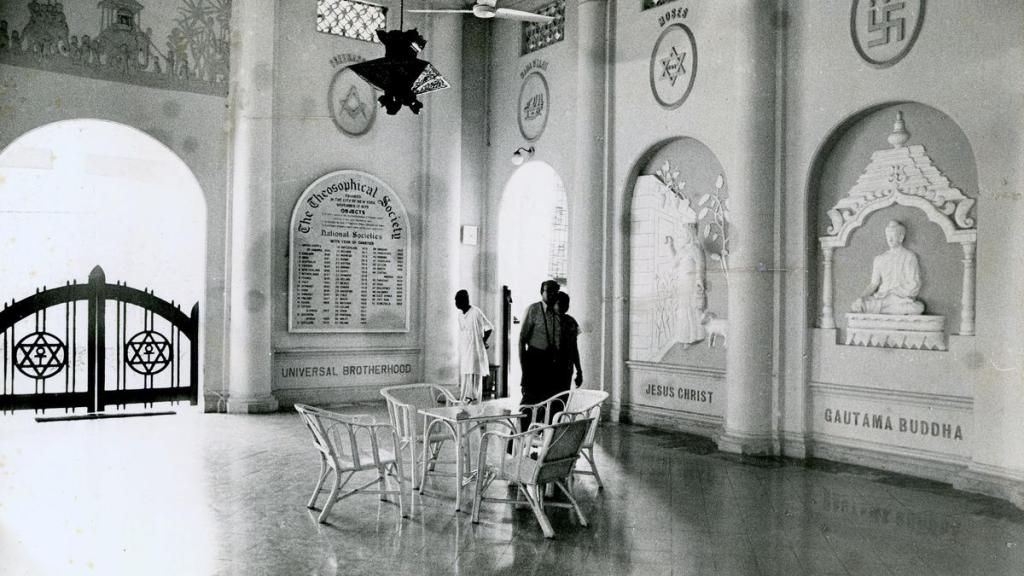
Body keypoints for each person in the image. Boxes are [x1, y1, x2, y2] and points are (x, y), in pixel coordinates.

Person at [851, 220, 926, 315]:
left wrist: (896, 292)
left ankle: (885, 309)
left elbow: (915, 283)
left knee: (918, 307)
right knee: (857, 306)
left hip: (900, 298)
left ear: (901, 237)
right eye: (888, 236)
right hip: (882, 298)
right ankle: (887, 308)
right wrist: (861, 298)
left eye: (893, 236)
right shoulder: (879, 259)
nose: (889, 240)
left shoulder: (909, 256)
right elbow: (874, 284)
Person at [518, 280, 561, 408]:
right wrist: (524, 370)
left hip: (551, 362)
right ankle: (519, 428)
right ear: (541, 292)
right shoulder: (534, 309)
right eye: (549, 291)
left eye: (555, 291)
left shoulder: (557, 311)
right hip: (534, 360)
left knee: (547, 403)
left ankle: (540, 428)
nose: (552, 294)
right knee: (529, 403)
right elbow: (521, 340)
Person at [666, 224, 706, 346]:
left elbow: (700, 266)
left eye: (684, 233)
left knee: (692, 307)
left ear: (689, 234)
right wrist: (670, 246)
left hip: (691, 281)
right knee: (683, 308)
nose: (681, 236)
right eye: (680, 234)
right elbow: (674, 264)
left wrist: (699, 280)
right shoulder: (683, 249)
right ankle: (685, 337)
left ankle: (693, 337)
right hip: (683, 282)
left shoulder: (695, 248)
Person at [454, 290, 493, 402]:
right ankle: (464, 408)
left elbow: (489, 327)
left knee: (474, 385)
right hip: (466, 352)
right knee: (465, 384)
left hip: (475, 353)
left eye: (457, 300)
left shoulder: (476, 312)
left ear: (465, 300)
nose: (456, 303)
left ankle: (475, 410)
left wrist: (482, 341)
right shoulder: (460, 315)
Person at [553, 292, 582, 394]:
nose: (563, 307)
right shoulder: (547, 321)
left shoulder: (571, 322)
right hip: (549, 369)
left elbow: (574, 348)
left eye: (566, 304)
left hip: (566, 368)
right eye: (560, 303)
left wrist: (579, 370)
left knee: (562, 398)